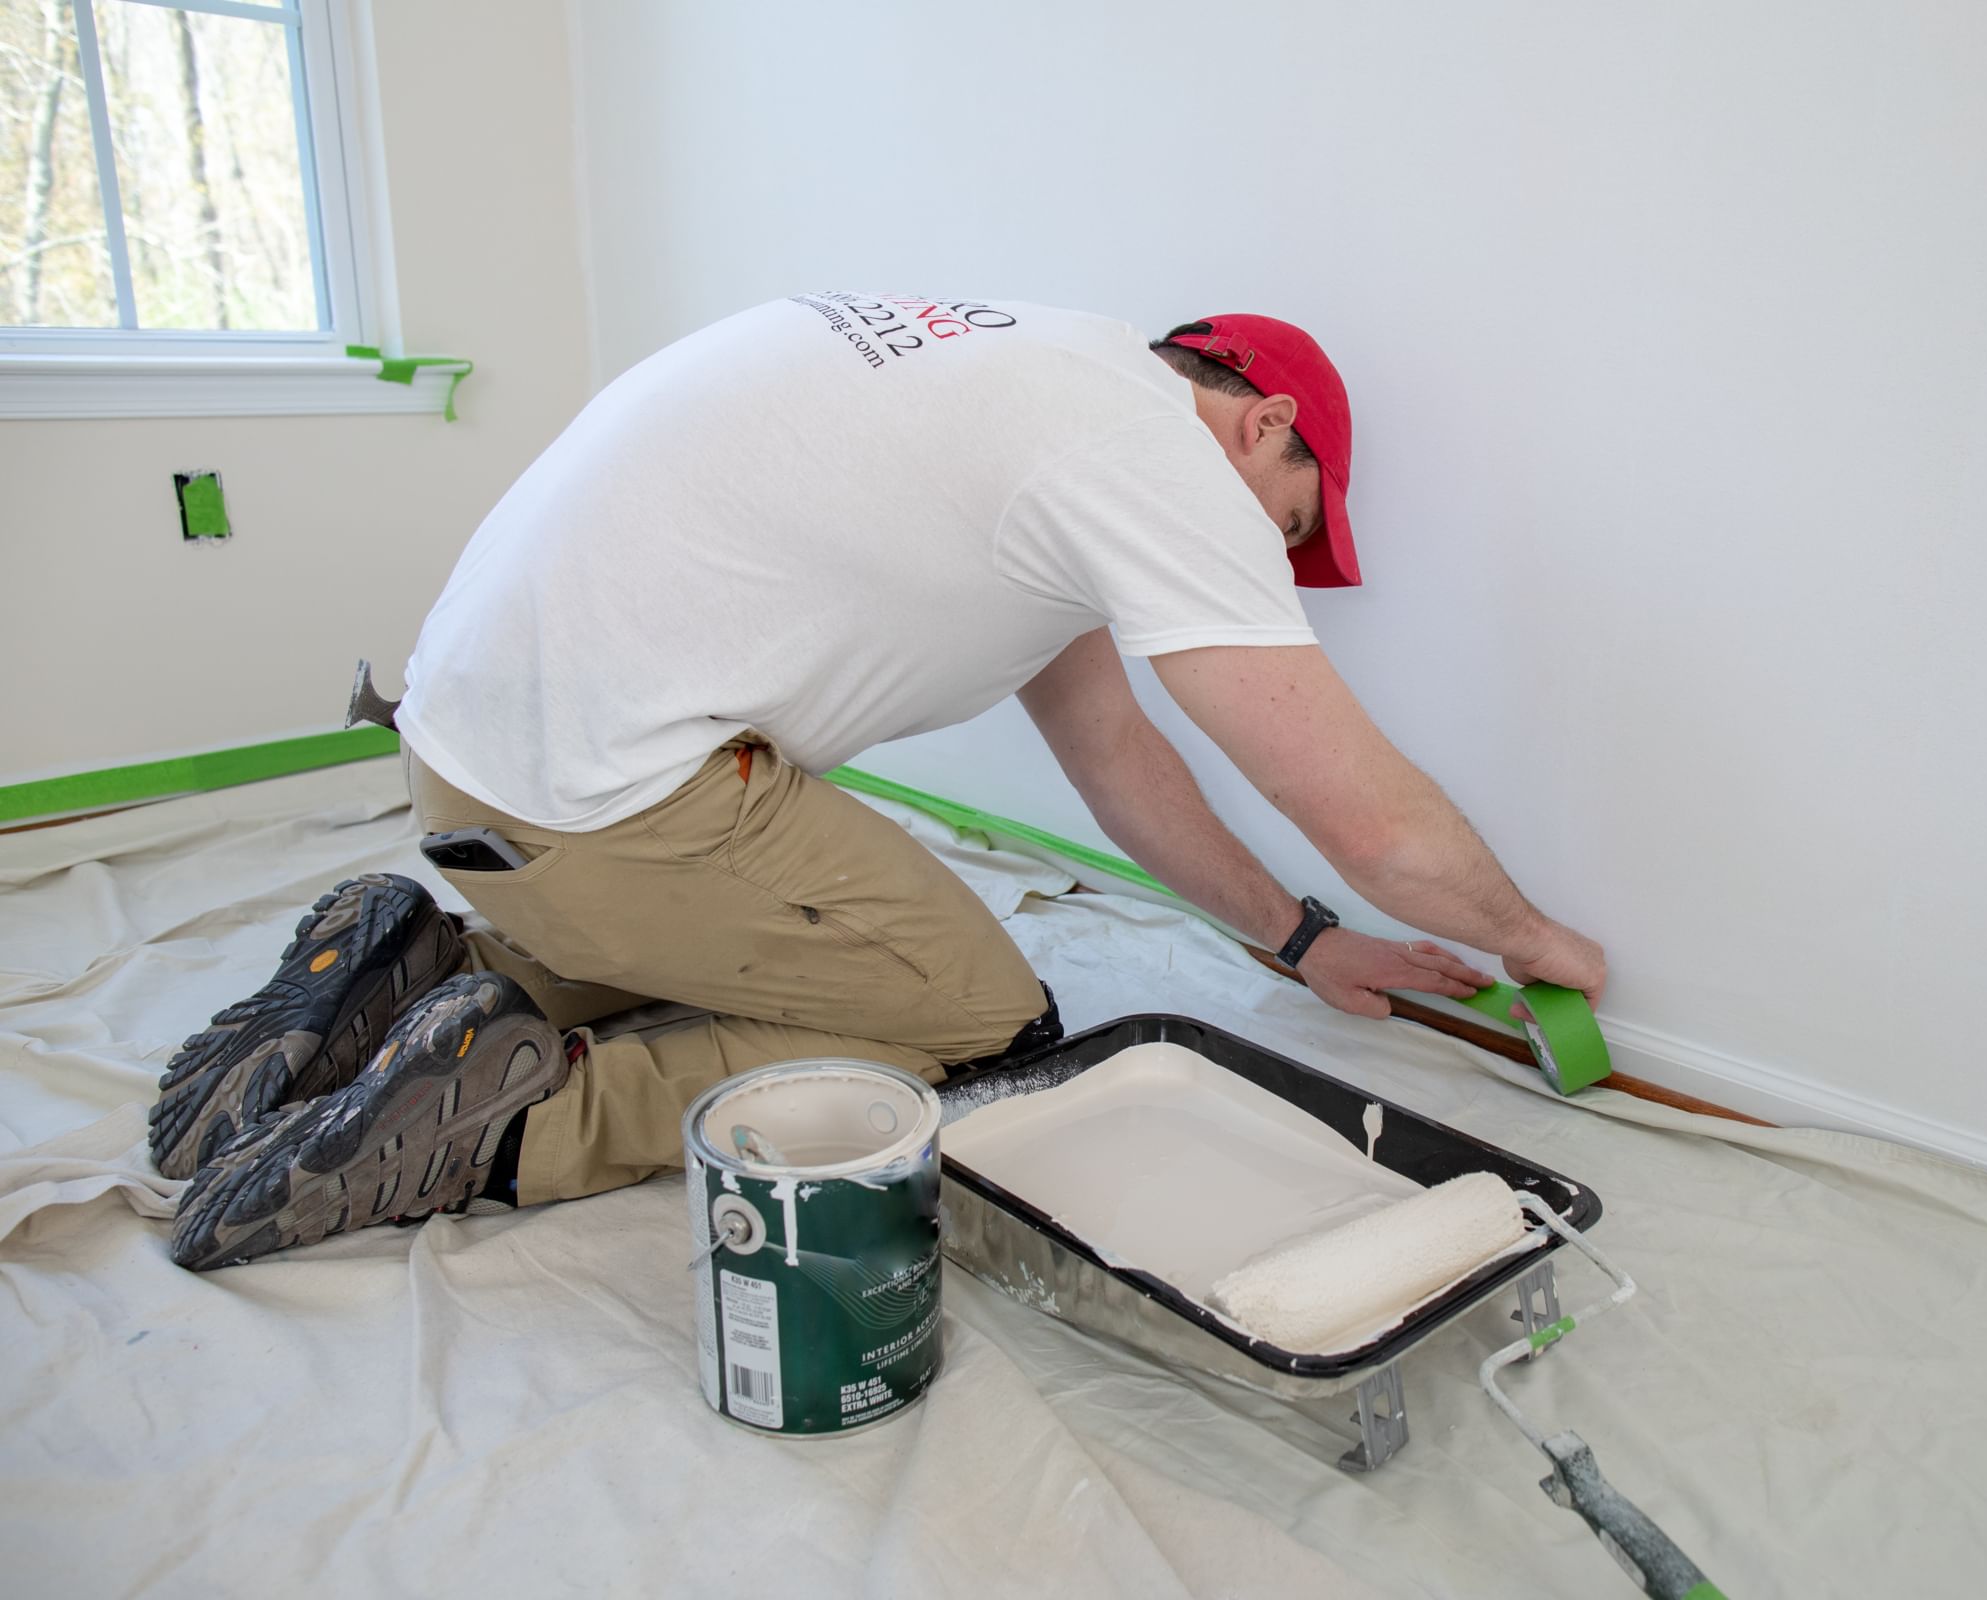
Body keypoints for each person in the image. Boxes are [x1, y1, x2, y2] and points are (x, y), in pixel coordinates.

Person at [155, 293, 1612, 1270]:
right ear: (1262, 425)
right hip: (606, 799)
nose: (1275, 564)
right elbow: (1355, 806)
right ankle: (508, 1120)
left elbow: (1120, 761)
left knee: (755, 928)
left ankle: (432, 962)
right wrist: (1541, 947)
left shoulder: (1036, 385)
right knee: (987, 1021)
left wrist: (1298, 942)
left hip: (469, 768)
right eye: (1289, 530)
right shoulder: (1153, 461)